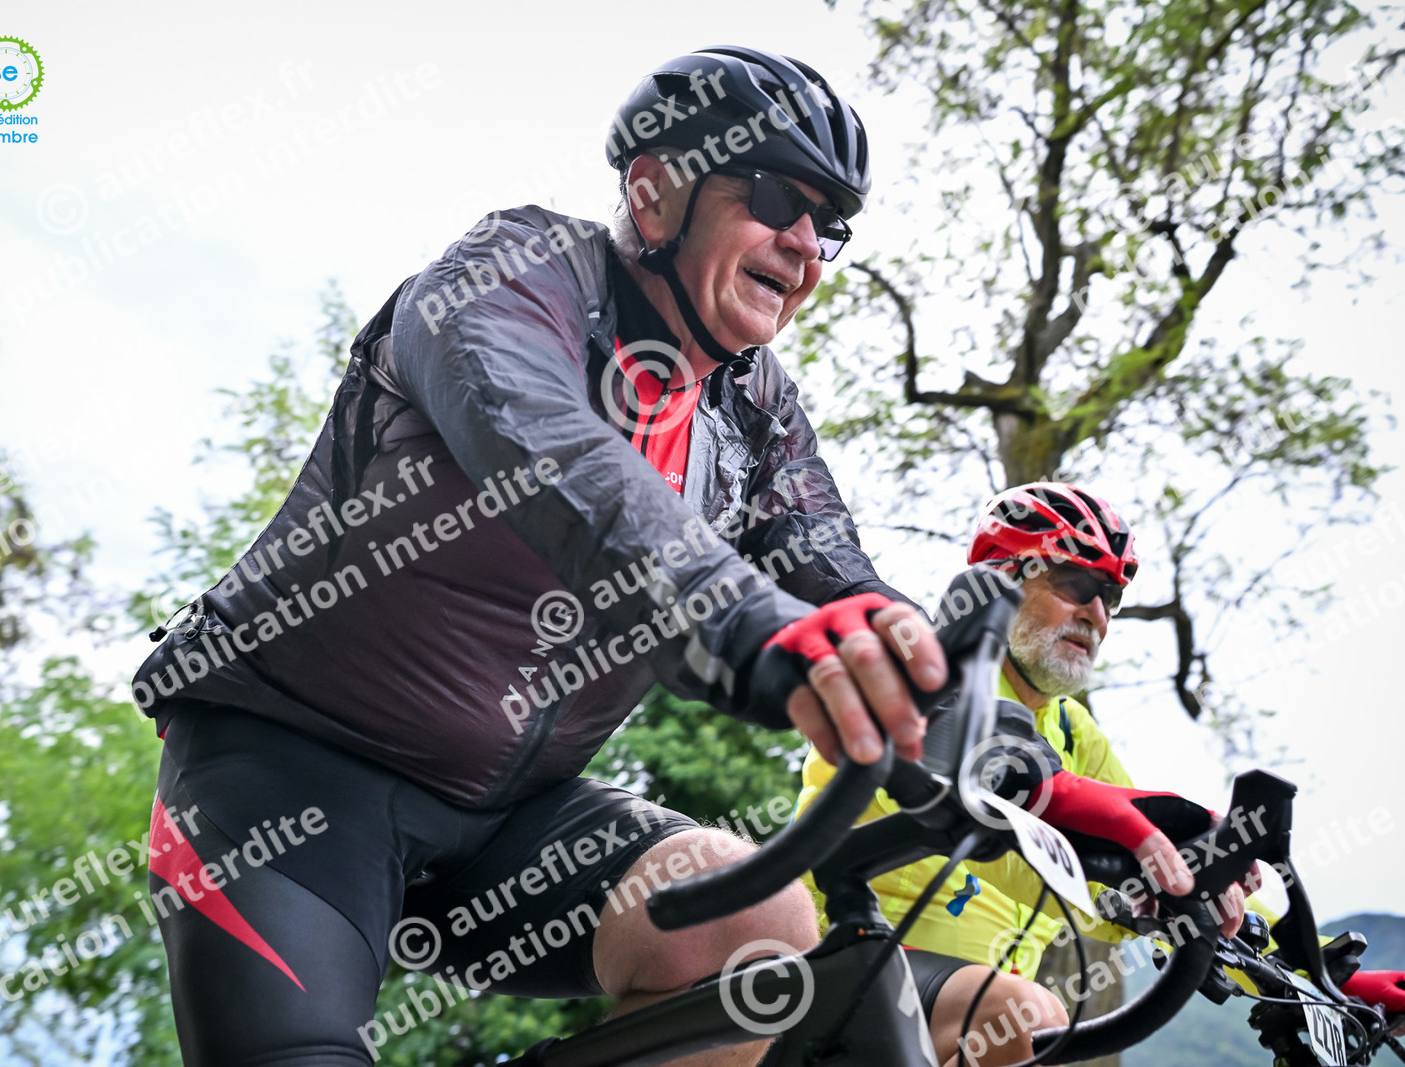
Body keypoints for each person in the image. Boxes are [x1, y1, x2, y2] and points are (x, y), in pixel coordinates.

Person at [132, 50, 1219, 1065]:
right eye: (776, 199)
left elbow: (853, 596)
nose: (806, 246)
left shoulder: (754, 410)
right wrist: (760, 634)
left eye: (830, 225)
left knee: (759, 922)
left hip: (517, 822)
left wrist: (1061, 796)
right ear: (653, 194)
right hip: (286, 776)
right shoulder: (517, 275)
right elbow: (554, 459)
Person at [795, 482, 1265, 1066]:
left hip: (972, 1017)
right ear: (1000, 581)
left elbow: (1163, 846)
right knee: (1025, 1018)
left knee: (1027, 1024)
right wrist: (1146, 883)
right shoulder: (924, 673)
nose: (1096, 614)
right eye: (1076, 585)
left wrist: (1318, 964)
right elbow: (1002, 846)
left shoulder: (1073, 731)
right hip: (841, 969)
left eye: (1111, 597)